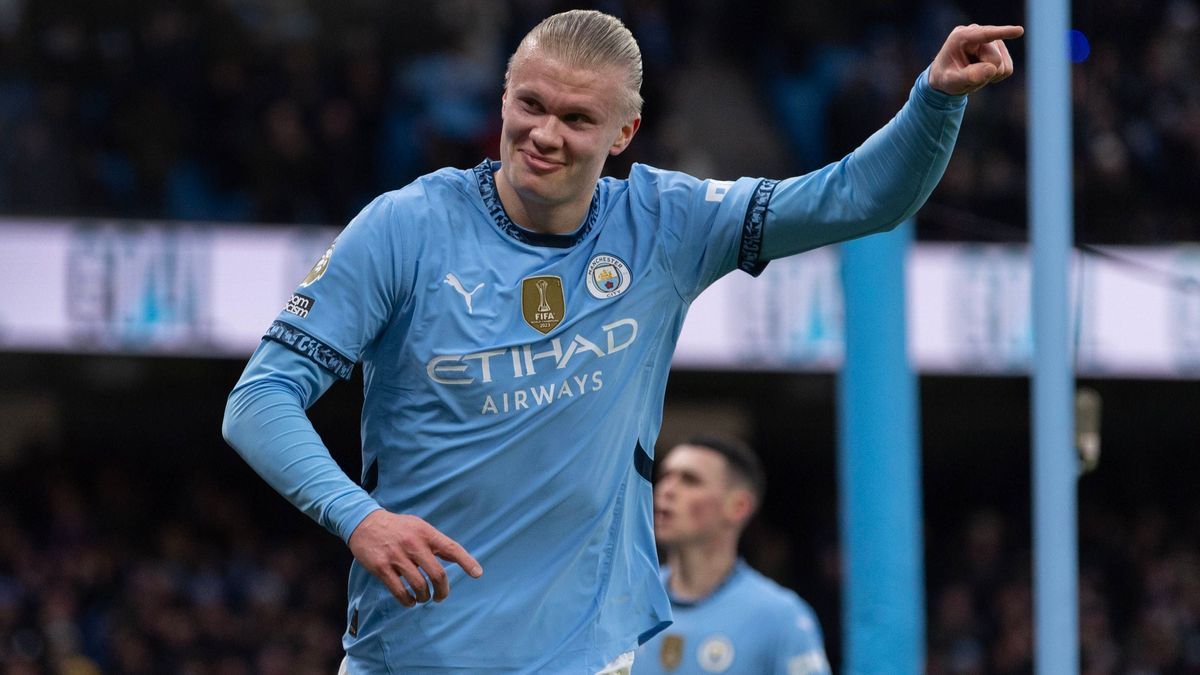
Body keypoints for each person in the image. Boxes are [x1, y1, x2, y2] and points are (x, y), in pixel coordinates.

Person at [221, 9, 1021, 674]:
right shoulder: (406, 227)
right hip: (414, 653)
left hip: (586, 652)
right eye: (529, 105)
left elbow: (856, 199)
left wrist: (935, 100)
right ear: (502, 98)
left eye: (577, 119)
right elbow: (259, 399)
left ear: (625, 131)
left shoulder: (667, 224)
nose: (543, 134)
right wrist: (359, 517)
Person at [636, 437, 830, 675]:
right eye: (665, 476)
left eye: (690, 480)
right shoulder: (626, 603)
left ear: (738, 506)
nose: (666, 490)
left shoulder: (780, 617)